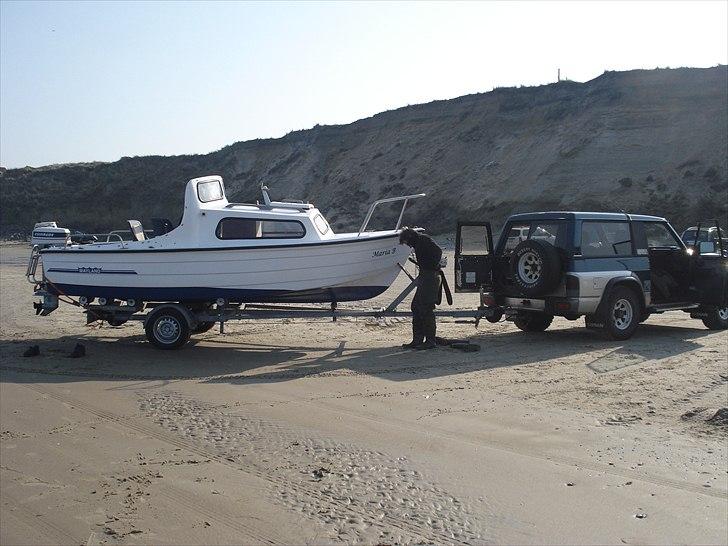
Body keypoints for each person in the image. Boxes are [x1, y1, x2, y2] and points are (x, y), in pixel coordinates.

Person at [399, 227, 443, 350]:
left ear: (410, 238)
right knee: (416, 306)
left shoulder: (424, 240)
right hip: (426, 276)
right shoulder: (421, 242)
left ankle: (430, 341)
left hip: (430, 277)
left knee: (426, 308)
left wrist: (430, 265)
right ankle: (417, 340)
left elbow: (438, 251)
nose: (408, 246)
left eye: (407, 243)